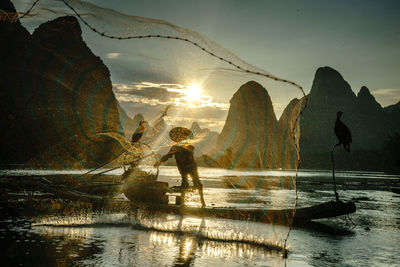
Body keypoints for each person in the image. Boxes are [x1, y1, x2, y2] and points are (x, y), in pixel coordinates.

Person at [154, 127, 206, 207]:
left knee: (197, 183)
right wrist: (160, 161)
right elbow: (168, 155)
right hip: (183, 168)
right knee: (184, 183)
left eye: (183, 137)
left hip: (191, 167)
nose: (182, 138)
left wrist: (179, 148)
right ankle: (182, 202)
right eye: (180, 137)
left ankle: (202, 201)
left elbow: (188, 152)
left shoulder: (190, 147)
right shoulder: (175, 147)